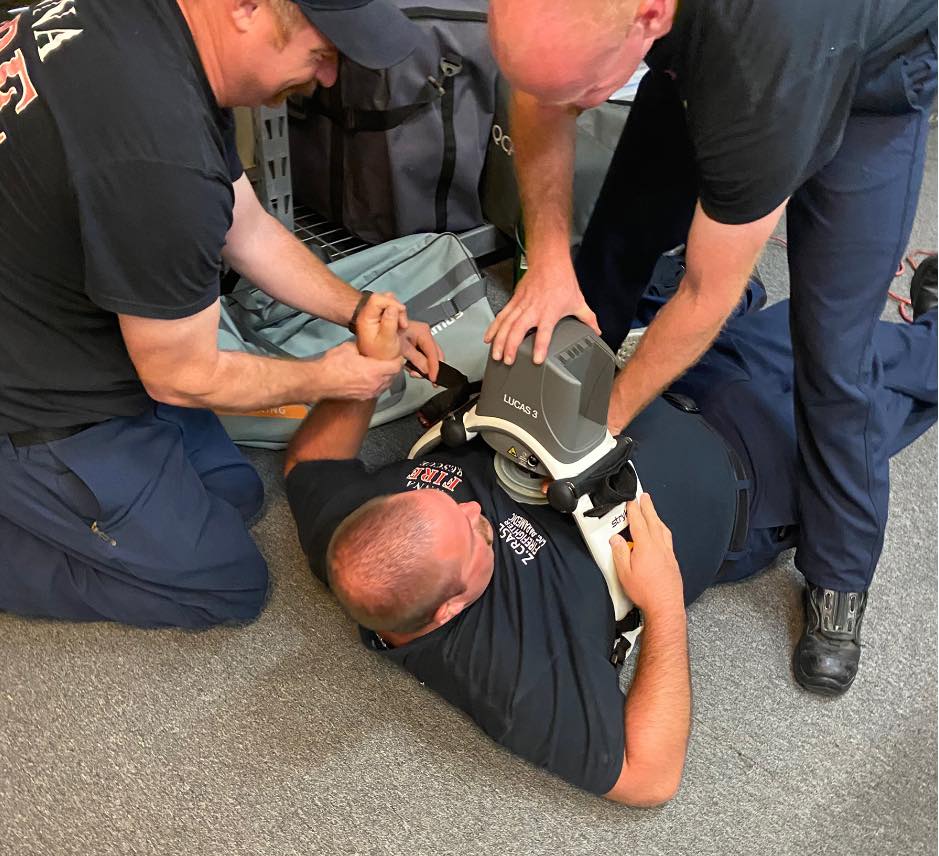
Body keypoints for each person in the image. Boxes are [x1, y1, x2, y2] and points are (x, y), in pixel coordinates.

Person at [284, 277, 938, 803]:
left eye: (444, 497)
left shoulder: (351, 545)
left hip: (660, 383)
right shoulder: (505, 674)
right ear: (450, 607)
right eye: (475, 532)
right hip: (755, 474)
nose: (472, 505)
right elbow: (648, 778)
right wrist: (663, 605)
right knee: (855, 379)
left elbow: (309, 465)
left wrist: (369, 369)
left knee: (807, 325)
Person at [483, 0, 938, 695]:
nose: (580, 106)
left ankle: (840, 573)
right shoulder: (576, 25)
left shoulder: (763, 74)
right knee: (613, 246)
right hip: (713, 53)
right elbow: (541, 95)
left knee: (832, 351)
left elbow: (705, 293)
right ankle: (562, 390)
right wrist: (546, 263)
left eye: (588, 88)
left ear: (647, 16)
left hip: (867, 78)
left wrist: (601, 432)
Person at [0, 0, 441, 628]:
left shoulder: (161, 35)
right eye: (321, 53)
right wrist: (327, 379)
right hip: (35, 405)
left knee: (236, 493)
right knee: (228, 587)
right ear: (247, 8)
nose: (328, 78)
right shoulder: (161, 156)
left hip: (57, 314)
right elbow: (180, 377)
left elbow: (247, 227)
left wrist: (358, 307)